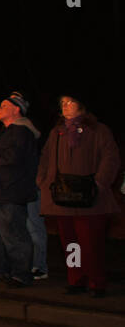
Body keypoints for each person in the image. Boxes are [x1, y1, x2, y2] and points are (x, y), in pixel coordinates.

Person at [36, 94, 121, 298]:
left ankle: (96, 282)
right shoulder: (57, 132)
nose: (65, 106)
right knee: (71, 244)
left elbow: (111, 159)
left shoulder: (98, 130)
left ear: (81, 105)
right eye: (62, 103)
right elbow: (46, 158)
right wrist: (43, 181)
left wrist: (99, 183)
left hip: (91, 199)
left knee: (91, 244)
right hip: (63, 199)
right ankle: (76, 279)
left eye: (70, 102)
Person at [0, 92, 40, 287]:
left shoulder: (22, 132)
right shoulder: (6, 132)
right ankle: (3, 269)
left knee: (13, 234)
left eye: (3, 106)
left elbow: (11, 159)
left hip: (10, 193)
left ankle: (21, 273)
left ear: (16, 109)